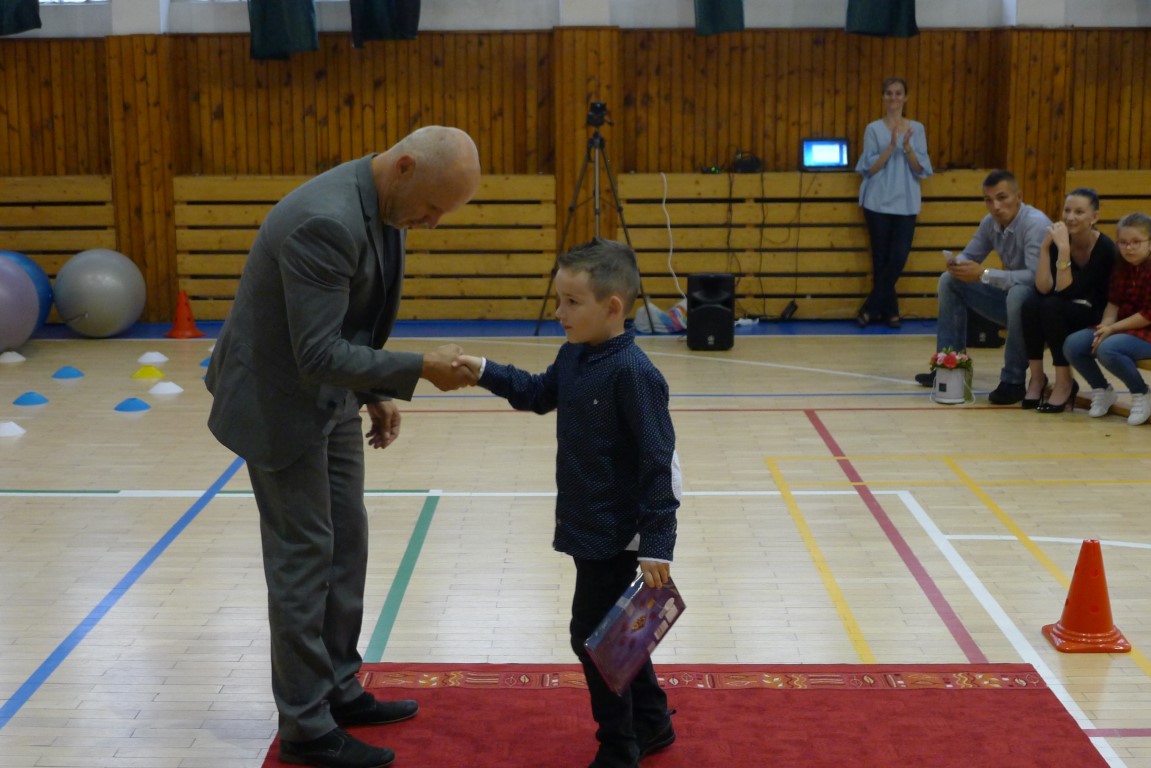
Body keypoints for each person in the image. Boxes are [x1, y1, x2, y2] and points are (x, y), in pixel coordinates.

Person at [205, 126, 482, 768]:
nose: (433, 223)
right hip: (278, 403)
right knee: (304, 558)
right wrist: (417, 368)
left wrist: (374, 390)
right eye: (433, 208)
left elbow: (350, 323)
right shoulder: (324, 221)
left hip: (328, 395)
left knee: (346, 542)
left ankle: (337, 686)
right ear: (405, 166)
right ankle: (305, 727)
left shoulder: (383, 202)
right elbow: (317, 352)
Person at [454, 239, 681, 768]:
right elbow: (537, 393)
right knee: (613, 629)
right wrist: (483, 369)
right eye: (558, 299)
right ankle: (652, 721)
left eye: (572, 302)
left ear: (613, 307)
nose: (559, 312)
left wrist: (657, 542)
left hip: (619, 532)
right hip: (583, 521)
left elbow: (658, 462)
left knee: (591, 637)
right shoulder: (574, 355)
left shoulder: (635, 374)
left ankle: (619, 747)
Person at [914, 170, 1052, 404]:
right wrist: (957, 264)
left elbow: (1033, 278)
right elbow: (971, 254)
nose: (995, 206)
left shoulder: (1035, 224)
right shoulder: (990, 223)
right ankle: (949, 366)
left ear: (1018, 197)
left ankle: (1013, 381)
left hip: (1043, 312)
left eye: (1002, 198)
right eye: (989, 200)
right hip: (1012, 303)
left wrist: (984, 274)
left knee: (1018, 293)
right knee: (949, 281)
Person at [1020, 188, 1116, 412]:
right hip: (1067, 309)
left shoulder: (1105, 248)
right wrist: (1045, 248)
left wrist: (1063, 249)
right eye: (1067, 210)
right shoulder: (1059, 241)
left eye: (1079, 212)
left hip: (1097, 315)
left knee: (1051, 305)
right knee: (1030, 303)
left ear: (1094, 217)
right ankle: (1037, 378)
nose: (1070, 217)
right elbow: (1043, 287)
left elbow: (1068, 291)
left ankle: (1065, 381)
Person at [855, 76, 933, 329]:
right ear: (883, 97)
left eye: (898, 93)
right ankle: (891, 313)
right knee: (881, 258)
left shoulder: (917, 129)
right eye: (889, 93)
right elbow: (870, 168)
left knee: (898, 257)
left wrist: (907, 147)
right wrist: (890, 147)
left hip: (906, 202)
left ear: (905, 97)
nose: (893, 97)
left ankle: (870, 308)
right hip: (877, 200)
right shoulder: (873, 129)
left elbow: (920, 169)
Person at [1064, 211, 1151, 426]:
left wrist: (1112, 330)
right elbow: (1113, 304)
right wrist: (1104, 327)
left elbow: (1146, 315)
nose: (1129, 248)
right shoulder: (1120, 266)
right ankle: (1102, 389)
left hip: (1146, 330)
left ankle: (1141, 392)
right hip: (1124, 328)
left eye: (1136, 242)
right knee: (1073, 345)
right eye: (1123, 242)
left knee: (1109, 348)